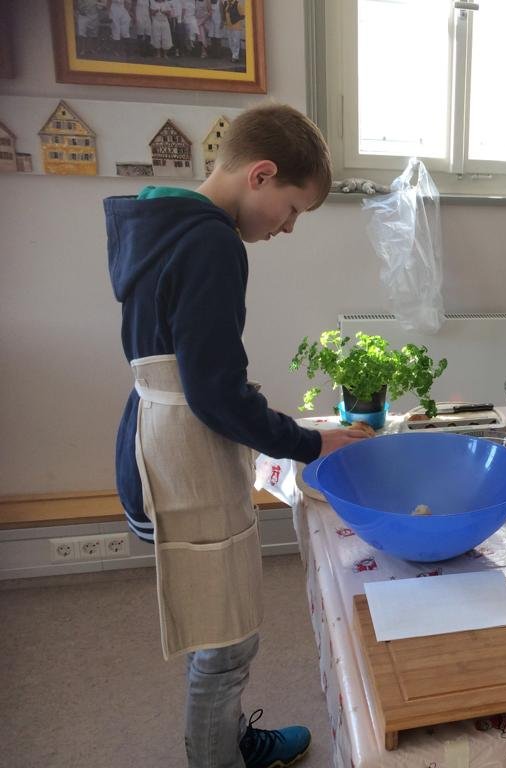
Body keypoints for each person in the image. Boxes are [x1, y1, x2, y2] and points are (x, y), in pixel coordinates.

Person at [106, 102, 366, 768]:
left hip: (149, 439)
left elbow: (192, 368)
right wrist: (309, 443)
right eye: (293, 209)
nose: (288, 227)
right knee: (225, 639)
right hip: (181, 457)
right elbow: (215, 392)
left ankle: (222, 741)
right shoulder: (211, 242)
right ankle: (218, 758)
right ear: (261, 174)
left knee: (213, 626)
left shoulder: (157, 219)